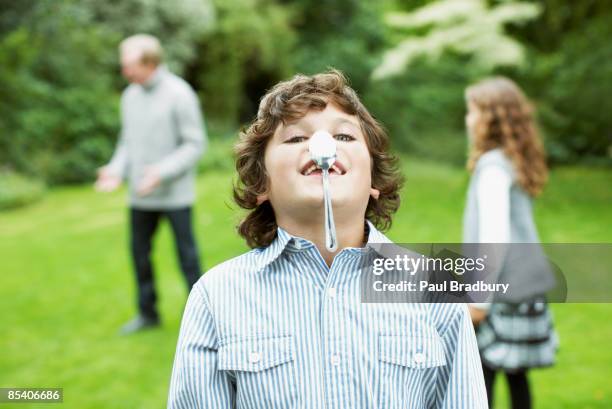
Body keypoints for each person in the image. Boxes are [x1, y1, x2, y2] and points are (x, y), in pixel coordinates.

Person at [167, 70, 487, 408]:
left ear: (374, 180)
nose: (324, 145)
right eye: (295, 139)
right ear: (262, 184)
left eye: (345, 137)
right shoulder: (217, 297)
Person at [95, 34, 207, 334]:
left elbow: (195, 145)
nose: (125, 73)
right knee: (139, 255)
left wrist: (161, 172)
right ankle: (148, 314)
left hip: (175, 195)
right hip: (140, 197)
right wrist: (115, 170)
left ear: (151, 63)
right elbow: (127, 142)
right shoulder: (129, 96)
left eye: (129, 66)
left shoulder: (180, 94)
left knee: (188, 259)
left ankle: (204, 318)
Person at [463, 77, 558, 409]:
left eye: (472, 111)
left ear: (490, 118)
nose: (468, 120)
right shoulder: (510, 161)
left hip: (501, 291)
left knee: (480, 373)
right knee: (516, 373)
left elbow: (494, 238)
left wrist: (480, 301)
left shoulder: (493, 168)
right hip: (524, 286)